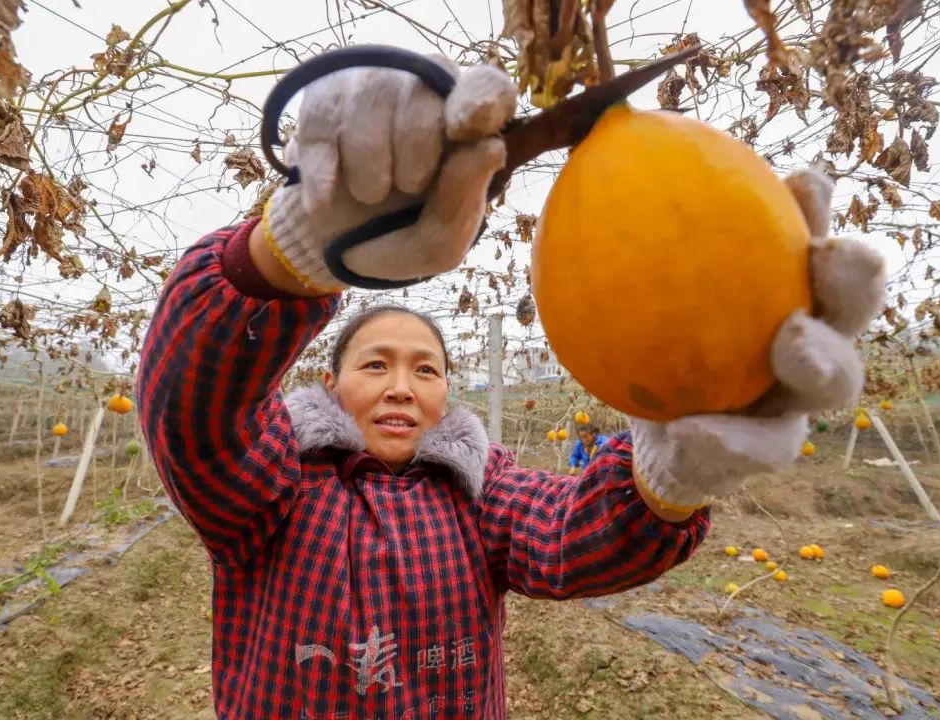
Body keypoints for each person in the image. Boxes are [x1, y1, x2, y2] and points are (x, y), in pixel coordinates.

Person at [137, 57, 885, 720]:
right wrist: (287, 253)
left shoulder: (480, 493)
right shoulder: (270, 489)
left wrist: (665, 481)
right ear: (329, 388)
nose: (402, 385)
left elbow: (571, 540)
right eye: (376, 365)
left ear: (445, 394)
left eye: (425, 369)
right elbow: (194, 412)